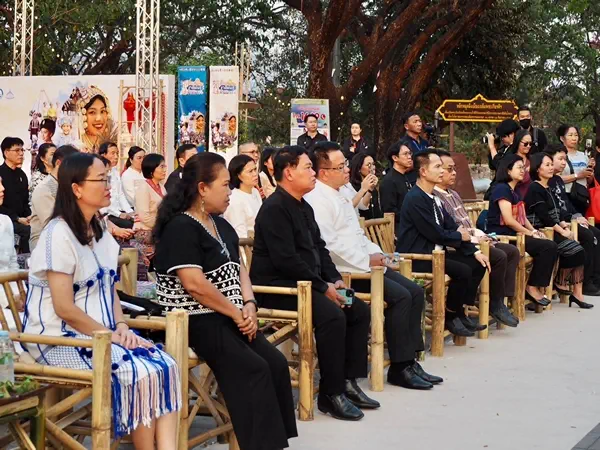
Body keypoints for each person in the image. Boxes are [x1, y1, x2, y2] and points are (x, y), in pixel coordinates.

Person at [24, 153, 181, 446]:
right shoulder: (58, 233)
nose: (108, 186)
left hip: (102, 334)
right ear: (76, 188)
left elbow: (109, 289)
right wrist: (112, 335)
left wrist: (121, 326)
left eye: (108, 179)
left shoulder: (99, 230)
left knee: (166, 365)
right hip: (59, 340)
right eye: (101, 180)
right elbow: (64, 308)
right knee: (140, 372)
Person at [152, 152, 297, 450]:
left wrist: (249, 305)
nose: (230, 191)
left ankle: (274, 443)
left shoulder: (221, 224)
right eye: (225, 184)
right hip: (195, 319)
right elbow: (194, 285)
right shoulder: (180, 227)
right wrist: (235, 312)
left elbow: (239, 268)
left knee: (275, 363)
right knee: (253, 369)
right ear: (202, 188)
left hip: (228, 315)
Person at [250, 145, 377, 421]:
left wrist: (335, 280)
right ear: (288, 172)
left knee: (357, 308)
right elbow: (286, 261)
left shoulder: (303, 206)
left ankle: (348, 381)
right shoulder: (274, 208)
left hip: (310, 285)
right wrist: (323, 286)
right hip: (279, 289)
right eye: (307, 167)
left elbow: (320, 249)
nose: (313, 173)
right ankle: (331, 393)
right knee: (333, 316)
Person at [305, 144, 443, 389]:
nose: (347, 170)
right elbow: (330, 246)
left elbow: (358, 235)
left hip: (366, 265)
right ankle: (399, 367)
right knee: (401, 297)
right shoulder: (317, 199)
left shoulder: (340, 194)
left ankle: (409, 360)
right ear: (324, 172)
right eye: (341, 167)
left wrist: (378, 254)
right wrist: (366, 260)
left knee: (415, 291)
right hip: (347, 271)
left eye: (346, 165)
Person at [397, 150, 490, 337]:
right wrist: (460, 237)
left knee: (477, 264)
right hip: (419, 257)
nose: (442, 170)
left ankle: (459, 312)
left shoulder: (433, 197)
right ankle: (451, 315)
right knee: (463, 271)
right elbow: (435, 234)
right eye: (437, 166)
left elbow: (452, 226)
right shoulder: (415, 198)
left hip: (437, 254)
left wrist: (475, 251)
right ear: (423, 171)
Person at [433, 151, 519, 327]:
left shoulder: (453, 194)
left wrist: (477, 233)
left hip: (471, 238)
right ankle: (489, 304)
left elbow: (465, 222)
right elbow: (450, 229)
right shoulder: (434, 197)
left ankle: (500, 300)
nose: (454, 173)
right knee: (498, 256)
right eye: (449, 169)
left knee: (512, 251)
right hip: (456, 245)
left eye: (454, 169)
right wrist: (473, 240)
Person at [487, 154, 559, 306]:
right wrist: (530, 233)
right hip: (504, 236)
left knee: (549, 245)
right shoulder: (501, 189)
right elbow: (509, 220)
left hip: (517, 233)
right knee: (547, 247)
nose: (523, 171)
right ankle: (531, 287)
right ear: (508, 170)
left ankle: (533, 286)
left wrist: (534, 231)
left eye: (524, 167)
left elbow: (523, 217)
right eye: (519, 167)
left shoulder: (516, 190)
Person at [524, 152, 591, 308]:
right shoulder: (535, 188)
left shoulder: (549, 186)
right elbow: (544, 216)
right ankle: (558, 282)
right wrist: (562, 231)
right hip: (542, 230)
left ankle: (570, 288)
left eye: (550, 164)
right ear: (537, 169)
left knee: (579, 251)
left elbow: (557, 212)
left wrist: (564, 225)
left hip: (553, 228)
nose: (551, 167)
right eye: (547, 165)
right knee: (576, 251)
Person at [546, 144, 600, 296]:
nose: (564, 163)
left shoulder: (557, 180)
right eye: (560, 159)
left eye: (565, 159)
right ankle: (585, 282)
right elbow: (553, 209)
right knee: (588, 236)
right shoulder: (545, 182)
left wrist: (577, 216)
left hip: (569, 218)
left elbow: (566, 204)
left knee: (596, 233)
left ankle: (595, 279)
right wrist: (570, 220)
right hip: (559, 223)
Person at [30, 145, 79, 252]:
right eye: (73, 166)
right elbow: (52, 225)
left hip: (71, 236)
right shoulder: (43, 189)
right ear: (58, 163)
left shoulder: (69, 185)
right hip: (45, 241)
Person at [134, 153, 167, 267]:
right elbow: (145, 217)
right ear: (152, 169)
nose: (164, 170)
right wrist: (162, 227)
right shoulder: (143, 187)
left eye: (164, 166)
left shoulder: (161, 187)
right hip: (146, 230)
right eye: (161, 167)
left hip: (157, 228)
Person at [0, 137, 31, 253]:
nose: (21, 154)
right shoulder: (0, 174)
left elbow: (25, 201)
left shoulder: (22, 175)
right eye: (17, 150)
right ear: (6, 153)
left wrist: (29, 216)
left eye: (22, 150)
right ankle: (24, 259)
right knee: (27, 230)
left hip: (21, 218)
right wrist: (17, 218)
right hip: (5, 218)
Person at [380, 141, 417, 234]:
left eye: (410, 153)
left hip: (410, 226)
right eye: (405, 154)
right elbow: (389, 210)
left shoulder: (404, 177)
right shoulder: (389, 181)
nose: (409, 157)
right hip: (399, 231)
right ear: (395, 158)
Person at [98, 142, 135, 229]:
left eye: (117, 153)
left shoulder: (115, 172)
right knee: (131, 226)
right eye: (113, 153)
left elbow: (120, 194)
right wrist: (119, 214)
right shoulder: (99, 174)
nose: (116, 156)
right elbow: (103, 203)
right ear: (103, 155)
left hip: (118, 211)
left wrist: (130, 212)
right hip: (107, 214)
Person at [223, 155, 262, 239]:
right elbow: (240, 235)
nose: (255, 174)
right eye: (250, 171)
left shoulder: (255, 191)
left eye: (255, 169)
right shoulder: (234, 199)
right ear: (239, 175)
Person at [76, 85, 118, 153]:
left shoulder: (114, 144)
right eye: (92, 112)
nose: (99, 118)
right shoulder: (76, 148)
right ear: (82, 115)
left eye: (102, 111)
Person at [558, 124, 593, 203]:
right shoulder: (558, 156)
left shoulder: (583, 156)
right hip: (566, 196)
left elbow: (588, 181)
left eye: (576, 135)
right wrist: (578, 175)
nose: (574, 138)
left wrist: (590, 175)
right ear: (562, 138)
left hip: (582, 197)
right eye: (570, 135)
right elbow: (555, 179)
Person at [349, 152, 381, 219]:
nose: (372, 167)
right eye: (368, 165)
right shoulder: (352, 188)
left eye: (373, 164)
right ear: (359, 168)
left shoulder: (373, 188)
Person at [510, 129, 533, 199]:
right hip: (515, 199)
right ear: (517, 142)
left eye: (530, 143)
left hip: (531, 200)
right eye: (525, 144)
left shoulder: (532, 160)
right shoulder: (510, 160)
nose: (528, 146)